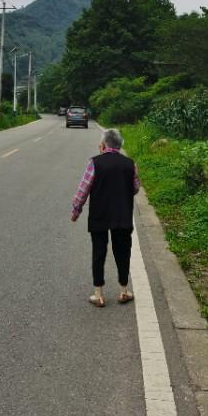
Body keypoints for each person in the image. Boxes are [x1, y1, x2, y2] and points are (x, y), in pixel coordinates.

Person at [71, 128, 140, 307]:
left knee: (99, 252)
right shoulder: (130, 164)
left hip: (99, 215)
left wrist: (76, 211)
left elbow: (83, 189)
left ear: (103, 145)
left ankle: (99, 295)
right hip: (122, 215)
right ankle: (123, 291)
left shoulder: (94, 162)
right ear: (119, 145)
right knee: (123, 252)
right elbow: (135, 188)